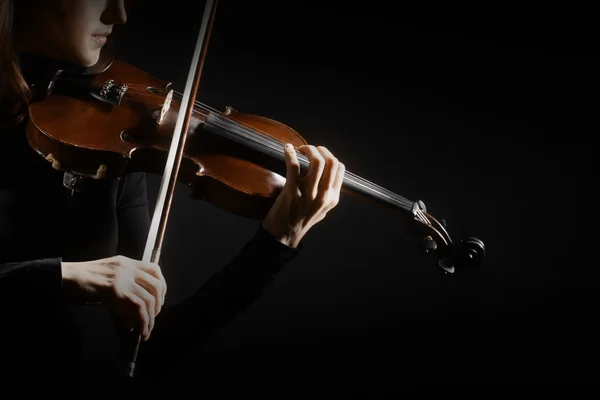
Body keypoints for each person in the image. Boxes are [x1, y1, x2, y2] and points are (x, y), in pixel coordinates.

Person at [0, 0, 345, 394]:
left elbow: (151, 347)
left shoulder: (102, 133)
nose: (119, 15)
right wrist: (64, 275)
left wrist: (277, 240)